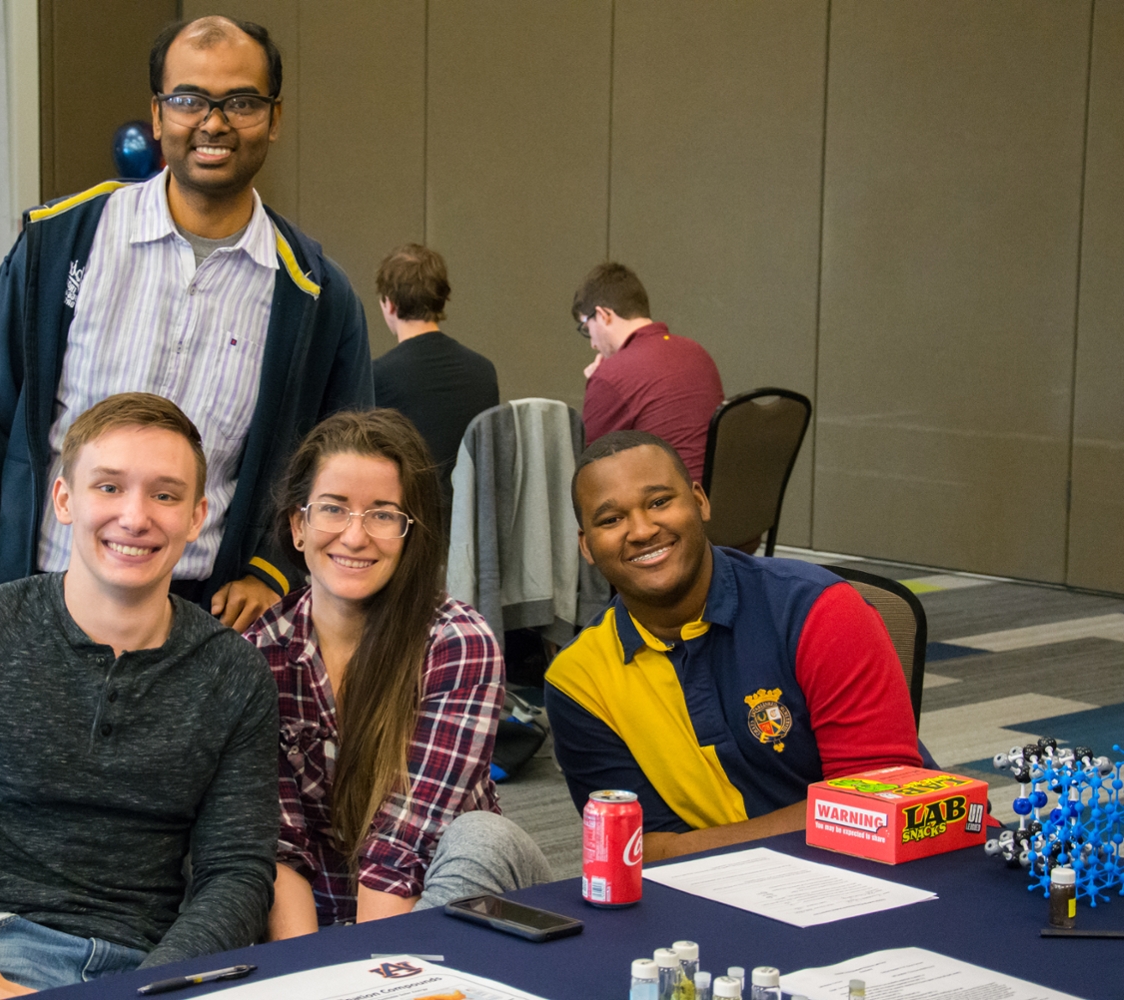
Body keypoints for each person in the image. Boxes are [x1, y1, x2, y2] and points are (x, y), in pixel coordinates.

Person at [0, 15, 373, 631]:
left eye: (240, 101)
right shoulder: (60, 245)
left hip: (198, 622)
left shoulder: (316, 296)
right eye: (189, 100)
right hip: (34, 603)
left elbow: (342, 471)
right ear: (158, 116)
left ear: (275, 117)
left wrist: (273, 569)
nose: (213, 123)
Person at [0, 394, 279, 999]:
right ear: (64, 500)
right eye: (109, 488)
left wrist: (156, 987)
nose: (135, 516)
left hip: (157, 966)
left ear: (197, 517)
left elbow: (237, 874)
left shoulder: (235, 673)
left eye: (165, 495)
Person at [545, 430, 922, 863]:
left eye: (660, 502)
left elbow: (878, 805)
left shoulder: (817, 610)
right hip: (717, 900)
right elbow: (636, 852)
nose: (642, 530)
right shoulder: (578, 680)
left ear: (699, 502)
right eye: (611, 520)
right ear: (586, 546)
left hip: (893, 875)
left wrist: (684, 848)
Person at [245, 410, 550, 935]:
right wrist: (308, 976)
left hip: (443, 900)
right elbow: (280, 849)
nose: (356, 536)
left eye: (383, 515)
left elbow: (400, 848)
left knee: (483, 837)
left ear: (411, 532)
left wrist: (371, 976)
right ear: (298, 526)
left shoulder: (457, 642)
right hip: (316, 926)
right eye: (333, 509)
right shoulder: (257, 656)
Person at [370, 244, 499, 521]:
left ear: (389, 303)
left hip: (408, 528)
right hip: (471, 529)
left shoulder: (377, 376)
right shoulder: (484, 371)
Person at [573, 263, 723, 482]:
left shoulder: (611, 375)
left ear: (603, 315)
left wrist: (600, 381)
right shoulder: (698, 353)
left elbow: (590, 473)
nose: (593, 345)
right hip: (709, 505)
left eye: (587, 328)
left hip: (661, 507)